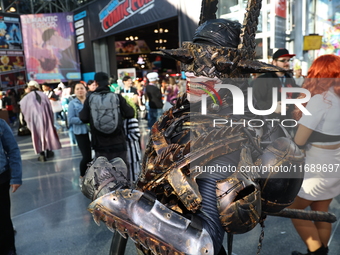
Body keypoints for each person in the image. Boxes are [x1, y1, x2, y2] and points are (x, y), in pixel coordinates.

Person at [80, 6, 319, 254]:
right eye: (190, 63)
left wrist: (115, 197)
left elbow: (202, 244)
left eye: (207, 67)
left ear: (232, 74)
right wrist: (131, 192)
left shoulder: (229, 139)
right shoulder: (179, 116)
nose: (191, 73)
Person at [289, 54, 340, 255]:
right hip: (335, 162)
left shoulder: (321, 100)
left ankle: (316, 251)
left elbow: (300, 140)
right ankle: (322, 251)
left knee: (295, 209)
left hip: (317, 165)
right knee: (321, 211)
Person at [79, 72, 134, 171]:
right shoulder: (117, 97)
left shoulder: (90, 99)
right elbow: (130, 113)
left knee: (104, 173)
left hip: (100, 143)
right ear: (108, 81)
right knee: (121, 171)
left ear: (96, 82)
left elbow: (83, 117)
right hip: (118, 141)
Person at [252, 48, 299, 121]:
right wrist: (272, 107)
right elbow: (254, 100)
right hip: (269, 123)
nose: (287, 63)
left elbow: (295, 94)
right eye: (283, 61)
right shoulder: (264, 79)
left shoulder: (290, 78)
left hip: (288, 120)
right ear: (274, 62)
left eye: (288, 60)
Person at [20, 80, 62, 162]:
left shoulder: (25, 97)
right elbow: (50, 109)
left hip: (33, 121)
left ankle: (42, 155)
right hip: (46, 119)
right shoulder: (44, 95)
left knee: (37, 136)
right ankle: (49, 151)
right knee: (47, 135)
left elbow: (23, 111)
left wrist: (24, 122)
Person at [0, 118, 22, 255]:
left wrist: (16, 177)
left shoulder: (1, 124)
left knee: (3, 218)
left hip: (1, 178)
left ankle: (9, 249)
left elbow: (12, 150)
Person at [67, 82, 92, 184]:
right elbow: (71, 119)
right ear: (74, 91)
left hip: (93, 132)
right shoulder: (72, 103)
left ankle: (91, 176)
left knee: (94, 156)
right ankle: (82, 176)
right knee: (86, 156)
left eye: (81, 88)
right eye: (77, 89)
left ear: (85, 89)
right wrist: (84, 120)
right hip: (80, 132)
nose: (80, 90)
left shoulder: (90, 101)